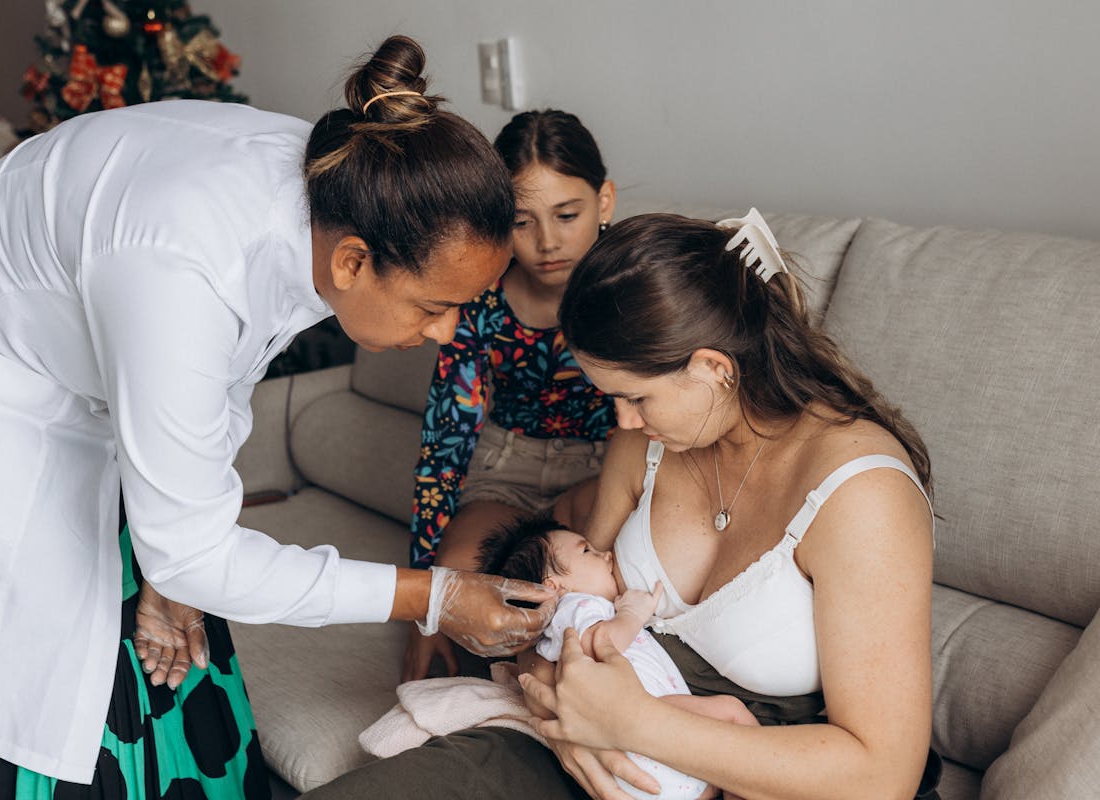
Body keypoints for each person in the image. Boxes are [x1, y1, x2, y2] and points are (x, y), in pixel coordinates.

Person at [0, 35, 556, 799]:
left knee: (170, 594)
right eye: (435, 307)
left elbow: (220, 380)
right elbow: (194, 519)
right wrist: (433, 595)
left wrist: (177, 564)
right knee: (24, 673)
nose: (446, 333)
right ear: (352, 263)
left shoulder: (331, 187)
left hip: (81, 367)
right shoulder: (184, 265)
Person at [304, 210, 940, 800]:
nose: (622, 419)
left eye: (636, 396)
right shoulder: (644, 446)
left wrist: (633, 724)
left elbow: (881, 773)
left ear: (716, 369)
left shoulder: (860, 494)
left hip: (762, 770)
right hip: (591, 728)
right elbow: (560, 598)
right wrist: (562, 710)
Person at [404, 109, 618, 681]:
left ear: (604, 202)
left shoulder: (632, 279)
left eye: (567, 215)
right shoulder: (480, 298)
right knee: (463, 591)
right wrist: (426, 607)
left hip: (606, 467)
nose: (548, 241)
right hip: (505, 466)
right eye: (522, 222)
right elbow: (447, 441)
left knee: (591, 584)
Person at [479, 515, 758, 800]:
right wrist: (633, 613)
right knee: (731, 713)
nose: (606, 554)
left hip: (645, 760)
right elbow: (602, 643)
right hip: (642, 721)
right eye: (586, 551)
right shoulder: (574, 607)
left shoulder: (571, 617)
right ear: (554, 586)